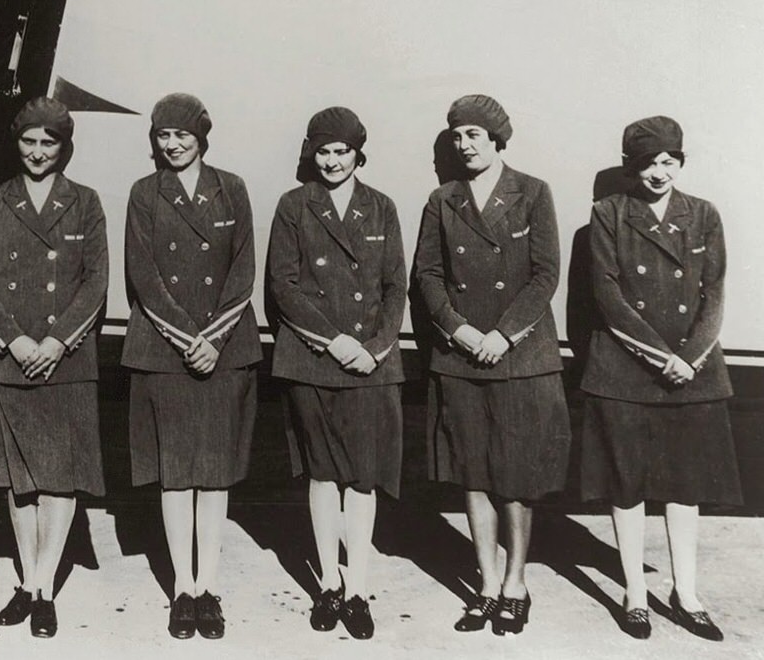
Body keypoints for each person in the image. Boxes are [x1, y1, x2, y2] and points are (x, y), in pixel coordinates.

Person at [412, 94, 569, 636]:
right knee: (472, 475)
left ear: (497, 139)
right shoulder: (442, 199)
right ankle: (486, 585)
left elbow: (546, 274)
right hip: (462, 357)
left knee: (515, 477)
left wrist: (504, 334)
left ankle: (516, 584)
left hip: (519, 357)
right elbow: (427, 275)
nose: (464, 145)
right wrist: (459, 329)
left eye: (474, 135)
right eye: (456, 136)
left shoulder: (533, 192)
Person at [579, 116, 740, 641]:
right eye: (649, 163)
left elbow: (714, 293)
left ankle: (686, 594)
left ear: (680, 163)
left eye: (669, 161)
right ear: (632, 167)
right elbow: (607, 294)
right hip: (626, 371)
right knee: (626, 484)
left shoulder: (704, 215)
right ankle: (633, 592)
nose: (659, 172)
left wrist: (688, 358)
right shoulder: (608, 213)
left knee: (685, 487)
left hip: (691, 373)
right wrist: (659, 355)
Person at [0, 97, 108, 639]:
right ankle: (28, 581)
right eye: (29, 141)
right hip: (7, 356)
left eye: (49, 142)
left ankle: (44, 587)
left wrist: (55, 341)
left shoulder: (85, 201)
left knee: (59, 476)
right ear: (16, 142)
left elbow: (96, 281)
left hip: (63, 359)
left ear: (64, 147)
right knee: (17, 479)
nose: (38, 152)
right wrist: (17, 340)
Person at [122, 93, 259, 641]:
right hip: (165, 350)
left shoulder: (233, 188)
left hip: (224, 349)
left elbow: (243, 267)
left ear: (202, 137)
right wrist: (187, 339)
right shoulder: (144, 193)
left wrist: (214, 338)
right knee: (176, 474)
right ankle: (183, 588)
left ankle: (209, 588)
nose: (173, 144)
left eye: (182, 135)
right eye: (163, 135)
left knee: (215, 474)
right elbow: (143, 274)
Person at [267, 107, 406, 640]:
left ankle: (358, 589)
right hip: (315, 359)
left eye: (342, 151)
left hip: (370, 362)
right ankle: (328, 582)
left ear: (357, 154)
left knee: (363, 477)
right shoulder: (294, 205)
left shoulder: (382, 207)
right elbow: (283, 285)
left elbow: (395, 286)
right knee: (323, 474)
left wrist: (374, 348)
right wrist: (335, 341)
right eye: (323, 151)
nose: (331, 161)